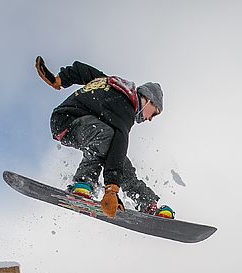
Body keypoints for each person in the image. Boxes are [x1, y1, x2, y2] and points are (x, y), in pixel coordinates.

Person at [35, 57, 174, 220]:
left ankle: (147, 204)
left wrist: (60, 79)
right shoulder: (126, 109)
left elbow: (82, 71)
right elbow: (120, 141)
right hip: (67, 120)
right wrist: (112, 190)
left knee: (118, 158)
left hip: (83, 124)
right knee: (108, 138)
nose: (151, 118)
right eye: (155, 112)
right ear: (148, 100)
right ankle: (85, 182)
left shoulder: (113, 86)